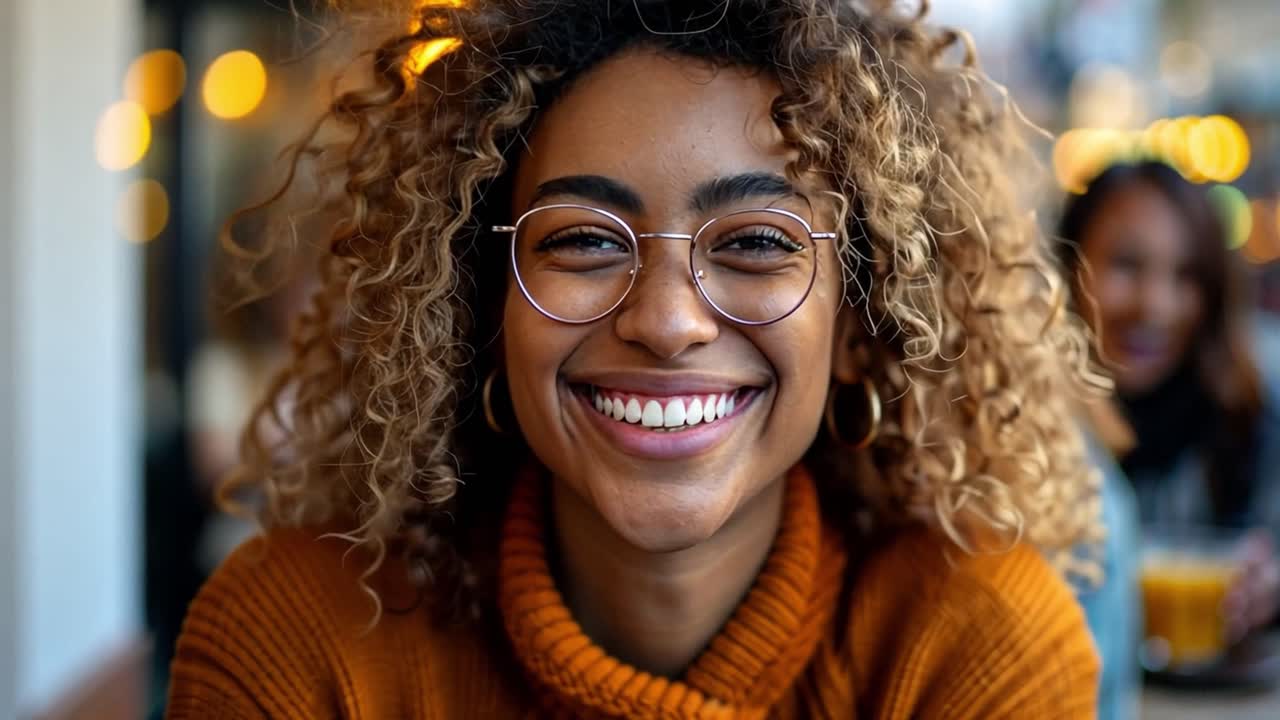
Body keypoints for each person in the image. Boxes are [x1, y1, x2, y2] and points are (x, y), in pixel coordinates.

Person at [166, 2, 1105, 717]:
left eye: (758, 242)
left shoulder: (973, 648)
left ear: (859, 326)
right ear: (483, 308)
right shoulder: (299, 647)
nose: (666, 321)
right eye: (582, 241)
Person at [1061, 161, 1280, 664]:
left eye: (1185, 275)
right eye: (1126, 265)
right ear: (1067, 267)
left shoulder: (1247, 417)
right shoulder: (1022, 437)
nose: (1155, 307)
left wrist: (1270, 592)